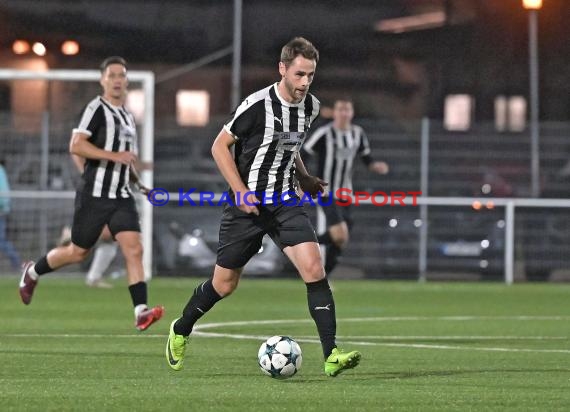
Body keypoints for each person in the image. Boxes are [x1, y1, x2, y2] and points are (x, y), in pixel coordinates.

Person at [166, 37, 361, 377]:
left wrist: (304, 177)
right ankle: (181, 329)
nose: (304, 83)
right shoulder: (256, 106)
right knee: (224, 285)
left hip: (286, 201)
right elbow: (219, 147)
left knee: (314, 269)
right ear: (283, 69)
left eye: (310, 75)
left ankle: (331, 355)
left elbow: (291, 145)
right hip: (247, 206)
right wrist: (240, 191)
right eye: (299, 74)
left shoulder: (311, 107)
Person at [18, 56, 163, 331]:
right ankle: (32, 271)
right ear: (102, 80)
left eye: (121, 75)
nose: (118, 80)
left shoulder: (128, 116)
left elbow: (125, 160)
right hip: (95, 196)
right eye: (112, 75)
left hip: (121, 196)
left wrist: (139, 184)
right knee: (77, 253)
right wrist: (111, 157)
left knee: (134, 249)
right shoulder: (96, 109)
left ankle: (140, 311)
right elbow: (76, 145)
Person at [302, 98, 389, 274]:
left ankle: (321, 272)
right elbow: (303, 155)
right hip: (325, 191)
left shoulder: (358, 133)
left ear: (352, 113)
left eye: (347, 110)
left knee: (341, 239)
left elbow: (366, 157)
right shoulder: (324, 133)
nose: (343, 113)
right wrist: (305, 179)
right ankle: (304, 248)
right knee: (339, 234)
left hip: (346, 192)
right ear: (334, 113)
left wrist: (375, 165)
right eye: (340, 109)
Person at [0, 158, 21, 270]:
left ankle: (17, 262)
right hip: (3, 209)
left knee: (1, 241)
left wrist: (3, 205)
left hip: (1, 210)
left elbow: (3, 195)